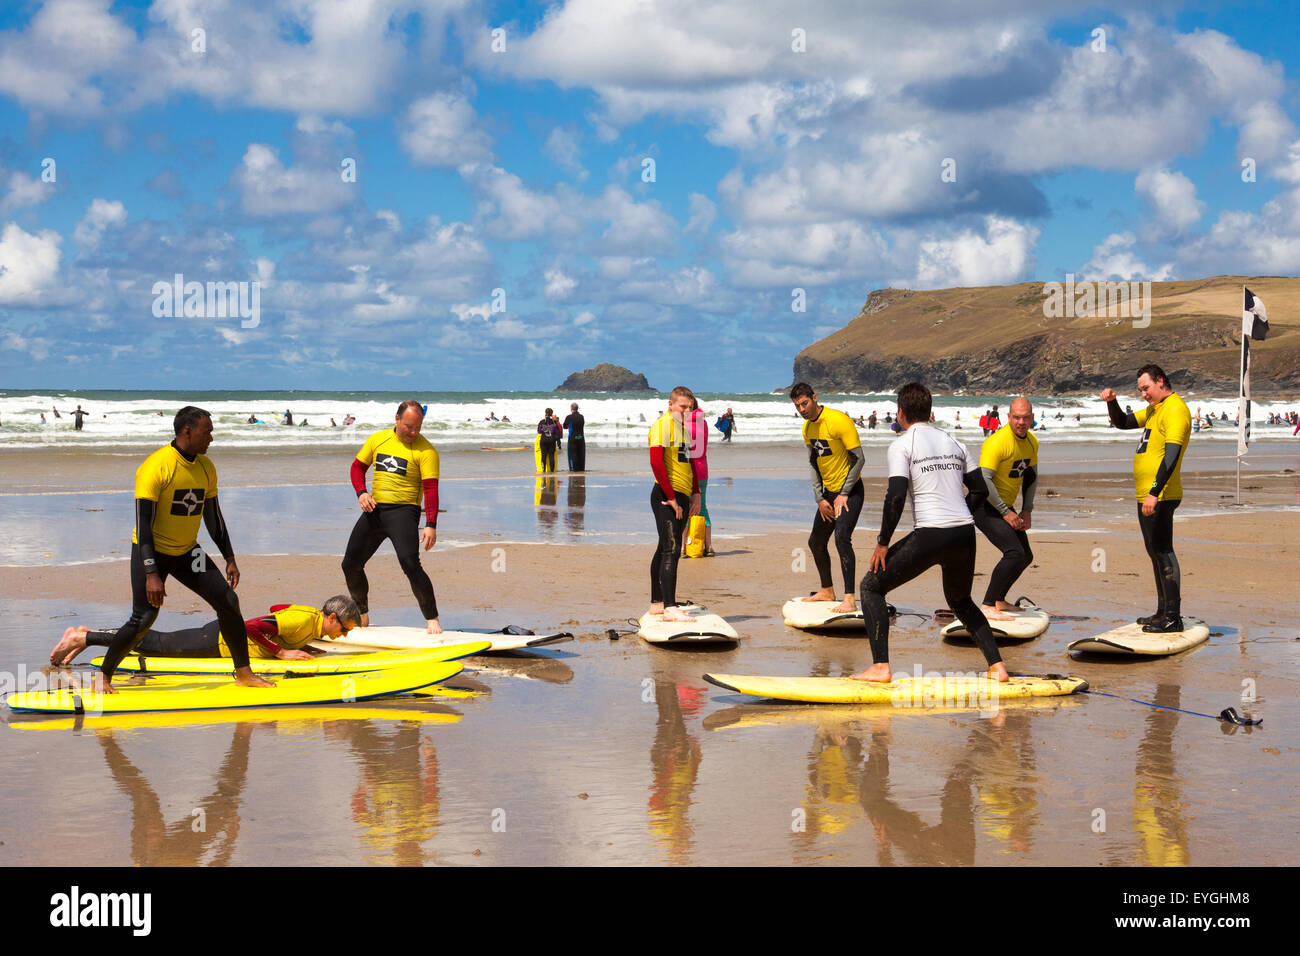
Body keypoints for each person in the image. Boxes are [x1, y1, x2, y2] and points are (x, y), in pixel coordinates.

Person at [92, 406, 274, 693]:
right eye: (207, 431)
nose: (211, 438)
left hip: (189, 553)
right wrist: (152, 573)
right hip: (152, 552)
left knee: (228, 600)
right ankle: (104, 675)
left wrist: (229, 557)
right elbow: (144, 525)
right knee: (144, 618)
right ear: (187, 431)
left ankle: (243, 672)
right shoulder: (156, 467)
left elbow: (214, 518)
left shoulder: (205, 467)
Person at [852, 382, 1008, 683]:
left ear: (900, 413)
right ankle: (997, 667)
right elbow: (979, 489)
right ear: (930, 411)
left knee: (871, 587)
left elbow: (896, 496)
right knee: (961, 601)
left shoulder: (901, 445)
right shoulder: (955, 442)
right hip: (963, 533)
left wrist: (883, 542)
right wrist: (959, 511)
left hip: (930, 535)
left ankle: (881, 667)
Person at [1100, 364, 1192, 632]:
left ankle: (1173, 618)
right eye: (1140, 390)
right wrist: (1112, 402)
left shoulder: (1175, 409)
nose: (1143, 395)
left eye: (1146, 388)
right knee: (1155, 553)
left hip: (1161, 495)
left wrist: (1154, 492)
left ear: (1160, 381)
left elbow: (1171, 457)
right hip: (1149, 495)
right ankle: (1163, 611)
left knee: (1163, 551)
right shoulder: (1156, 409)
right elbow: (1123, 422)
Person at [343, 400, 443, 633]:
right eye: (409, 426)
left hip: (404, 512)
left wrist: (430, 524)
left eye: (418, 427)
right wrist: (361, 492)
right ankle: (363, 614)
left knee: (410, 564)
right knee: (350, 564)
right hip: (375, 510)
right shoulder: (378, 439)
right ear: (397, 419)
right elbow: (357, 468)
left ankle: (432, 619)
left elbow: (430, 490)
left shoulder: (426, 451)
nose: (413, 432)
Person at [51, 595, 361, 665]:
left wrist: (299, 646)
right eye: (344, 629)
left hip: (220, 638)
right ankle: (83, 637)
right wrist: (282, 651)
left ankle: (90, 632)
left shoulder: (311, 620)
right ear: (331, 618)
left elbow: (278, 610)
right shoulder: (304, 621)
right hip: (218, 641)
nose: (344, 636)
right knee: (153, 643)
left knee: (154, 641)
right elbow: (252, 626)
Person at [791, 383, 865, 613]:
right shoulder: (807, 429)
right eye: (797, 406)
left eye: (804, 403)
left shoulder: (839, 421)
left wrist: (843, 494)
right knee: (815, 542)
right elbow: (814, 463)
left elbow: (859, 459)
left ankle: (850, 598)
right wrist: (819, 497)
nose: (802, 409)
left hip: (850, 491)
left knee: (842, 539)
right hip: (828, 494)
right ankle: (827, 590)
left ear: (815, 398)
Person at [972, 397, 1038, 622]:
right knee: (1014, 553)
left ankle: (999, 599)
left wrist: (1026, 510)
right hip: (984, 505)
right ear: (1008, 417)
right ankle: (987, 604)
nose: (1021, 422)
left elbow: (1031, 476)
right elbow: (984, 480)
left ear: (1032, 417)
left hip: (1004, 505)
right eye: (1016, 417)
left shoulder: (1032, 442)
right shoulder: (996, 442)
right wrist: (1005, 512)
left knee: (1025, 556)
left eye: (1025, 417)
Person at [647, 387, 703, 622]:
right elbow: (656, 462)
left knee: (664, 547)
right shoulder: (663, 424)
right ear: (670, 404)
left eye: (690, 407)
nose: (686, 411)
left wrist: (696, 493)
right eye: (682, 406)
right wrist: (670, 497)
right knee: (672, 548)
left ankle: (657, 603)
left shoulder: (684, 430)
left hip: (681, 494)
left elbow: (689, 464)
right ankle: (669, 606)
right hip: (664, 494)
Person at [687, 398, 713, 555]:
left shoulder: (684, 423)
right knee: (702, 508)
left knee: (685, 508)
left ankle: (683, 547)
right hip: (703, 469)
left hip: (688, 470)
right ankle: (708, 546)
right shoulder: (703, 422)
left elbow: (684, 450)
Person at [537, 408, 562, 472]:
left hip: (543, 440)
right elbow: (557, 432)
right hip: (551, 440)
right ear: (551, 414)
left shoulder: (542, 421)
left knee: (543, 456)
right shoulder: (554, 422)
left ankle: (543, 470)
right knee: (551, 456)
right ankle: (552, 471)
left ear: (545, 413)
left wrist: (544, 430)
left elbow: (539, 431)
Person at [564, 403, 586, 471]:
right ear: (577, 408)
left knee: (572, 454)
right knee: (581, 454)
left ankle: (573, 469)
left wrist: (568, 426)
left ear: (571, 409)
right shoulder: (581, 416)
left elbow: (564, 426)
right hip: (581, 438)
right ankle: (581, 469)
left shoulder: (569, 417)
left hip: (572, 438)